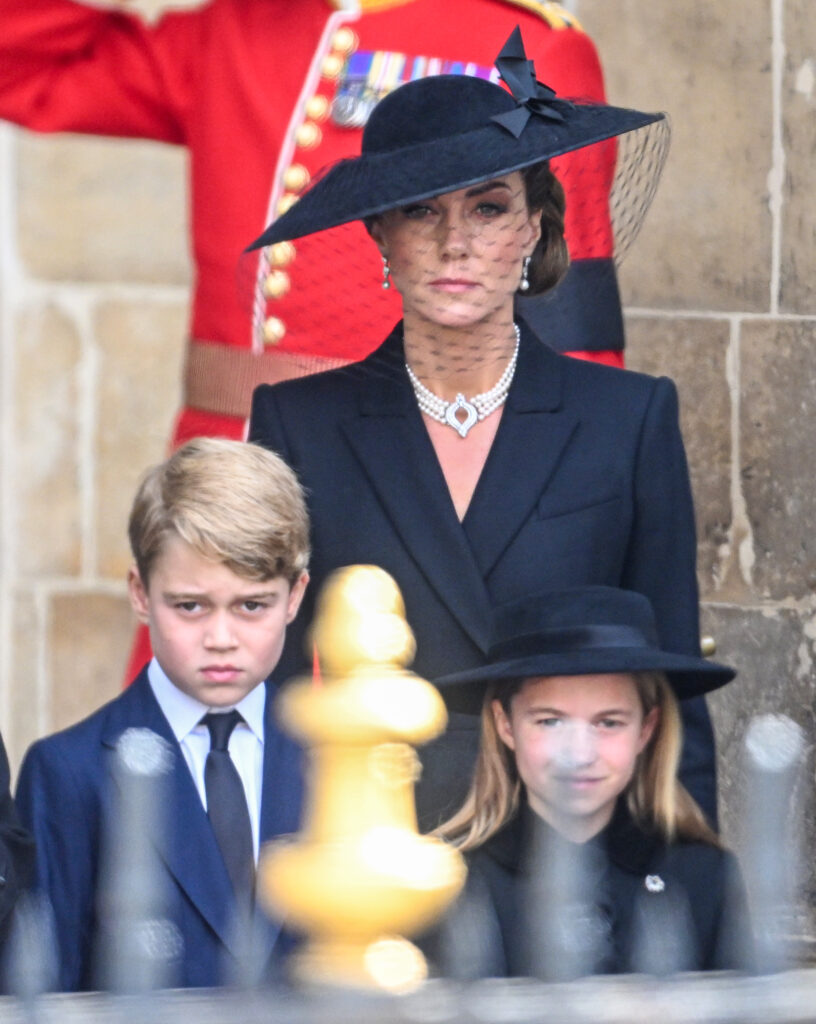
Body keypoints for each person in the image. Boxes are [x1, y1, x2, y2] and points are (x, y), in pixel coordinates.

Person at [0, 0, 625, 682]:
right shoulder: (237, 30)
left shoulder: (531, 47)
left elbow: (572, 340)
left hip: (414, 496)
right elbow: (22, 60)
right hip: (218, 495)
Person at [247, 27, 717, 831]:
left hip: (569, 860)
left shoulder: (628, 420)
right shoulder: (299, 425)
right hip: (375, 857)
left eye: (489, 206)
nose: (455, 242)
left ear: (533, 228)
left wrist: (685, 894)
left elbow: (670, 693)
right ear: (378, 234)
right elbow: (273, 698)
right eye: (421, 210)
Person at [15, 438, 310, 990]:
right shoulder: (67, 771)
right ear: (139, 593)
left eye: (252, 605)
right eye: (190, 606)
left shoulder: (338, 760)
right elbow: (45, 994)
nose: (221, 639)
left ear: (295, 595)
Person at [431, 585, 751, 976]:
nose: (579, 754)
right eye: (550, 720)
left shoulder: (701, 876)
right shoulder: (442, 883)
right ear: (505, 725)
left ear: (646, 729)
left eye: (608, 723)